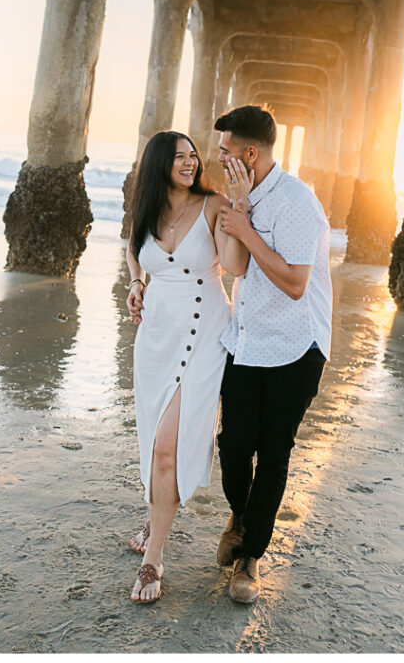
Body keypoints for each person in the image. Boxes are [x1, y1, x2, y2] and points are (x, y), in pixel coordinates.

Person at [125, 130, 251, 603]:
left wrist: (239, 207)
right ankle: (156, 512)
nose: (190, 161)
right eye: (179, 156)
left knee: (167, 448)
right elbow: (134, 249)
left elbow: (235, 266)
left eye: (193, 155)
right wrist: (137, 283)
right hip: (155, 336)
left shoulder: (215, 205)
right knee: (153, 439)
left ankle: (153, 558)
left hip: (202, 335)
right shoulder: (148, 210)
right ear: (160, 163)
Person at [214, 105, 332, 604]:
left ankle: (250, 557)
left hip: (295, 346)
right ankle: (241, 518)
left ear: (250, 153)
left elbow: (294, 283)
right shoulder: (239, 200)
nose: (218, 160)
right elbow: (238, 270)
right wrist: (238, 213)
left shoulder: (297, 202)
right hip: (247, 341)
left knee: (273, 452)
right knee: (234, 446)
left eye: (225, 153)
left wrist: (245, 228)